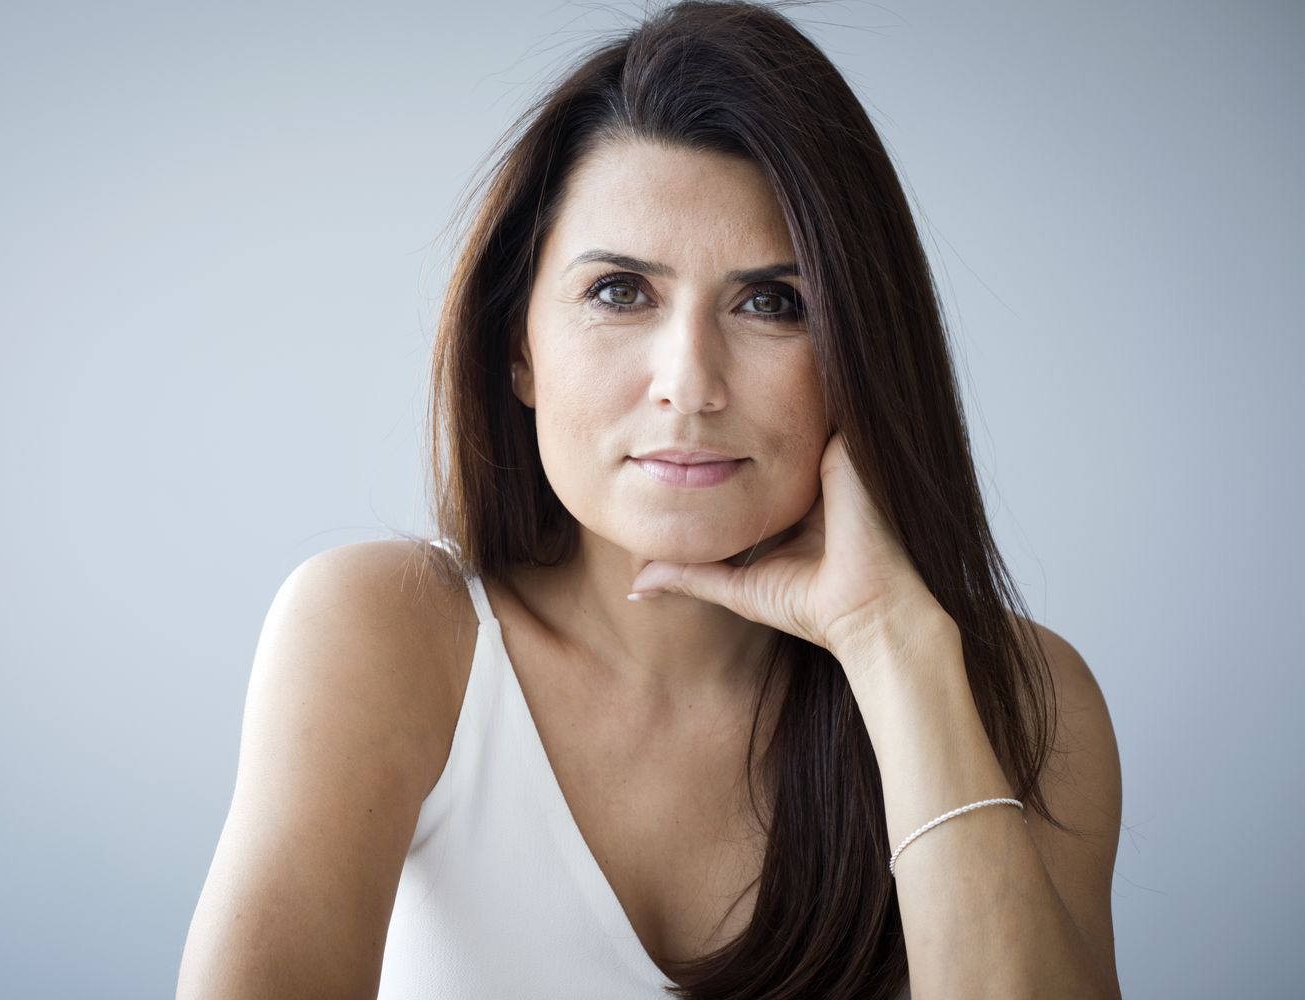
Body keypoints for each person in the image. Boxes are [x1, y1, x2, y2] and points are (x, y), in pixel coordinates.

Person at [175, 2, 1123, 998]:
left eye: (772, 303)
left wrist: (897, 650)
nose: (690, 382)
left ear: (860, 355)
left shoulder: (1029, 703)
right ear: (519, 348)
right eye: (621, 291)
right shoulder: (389, 634)